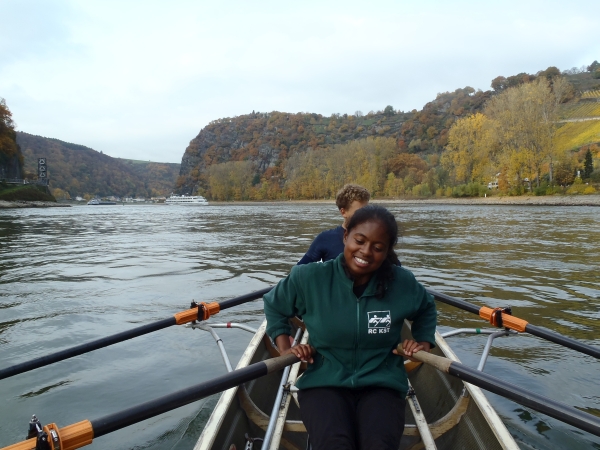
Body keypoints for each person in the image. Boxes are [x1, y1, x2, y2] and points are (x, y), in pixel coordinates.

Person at [264, 205, 437, 450]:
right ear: (345, 237)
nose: (366, 252)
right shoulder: (308, 278)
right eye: (360, 240)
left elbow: (426, 309)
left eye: (378, 248)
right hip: (323, 382)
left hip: (382, 383)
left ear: (387, 251)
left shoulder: (402, 282)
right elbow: (274, 305)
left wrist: (423, 343)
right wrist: (285, 348)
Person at [297, 184, 370, 265]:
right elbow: (298, 271)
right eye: (360, 212)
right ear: (343, 212)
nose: (365, 216)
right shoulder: (325, 239)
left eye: (367, 211)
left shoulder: (375, 239)